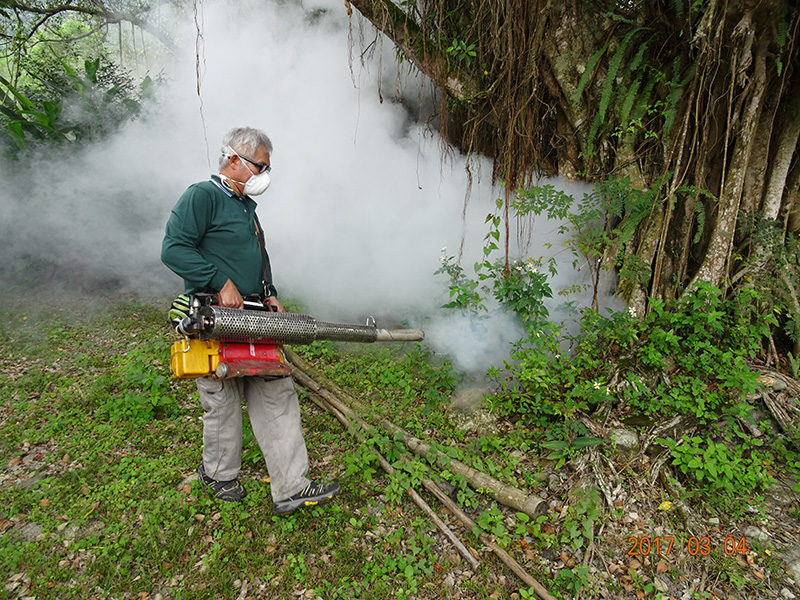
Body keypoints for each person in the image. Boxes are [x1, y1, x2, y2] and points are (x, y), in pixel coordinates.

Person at [161, 126, 340, 514]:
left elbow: (259, 255)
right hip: (216, 316)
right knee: (222, 401)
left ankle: (292, 486)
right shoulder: (202, 196)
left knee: (276, 392)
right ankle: (220, 475)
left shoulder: (247, 209)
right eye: (261, 166)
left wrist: (270, 291)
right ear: (233, 160)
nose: (265, 176)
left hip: (257, 317)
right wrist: (219, 282)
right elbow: (173, 249)